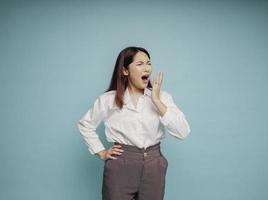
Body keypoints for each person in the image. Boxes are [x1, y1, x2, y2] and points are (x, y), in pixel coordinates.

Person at [77, 46, 191, 200]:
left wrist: (156, 101)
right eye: (140, 64)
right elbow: (86, 124)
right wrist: (101, 152)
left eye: (148, 63)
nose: (147, 68)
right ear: (125, 70)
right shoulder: (108, 99)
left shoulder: (162, 98)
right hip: (120, 165)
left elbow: (183, 132)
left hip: (154, 164)